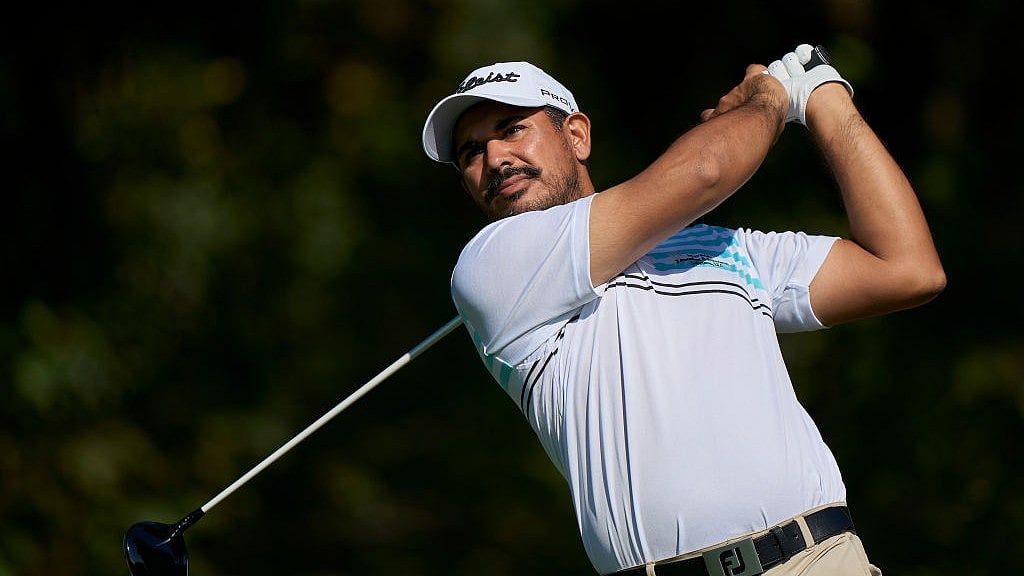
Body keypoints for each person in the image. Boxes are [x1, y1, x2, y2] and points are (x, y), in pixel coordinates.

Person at [421, 44, 945, 576]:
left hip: (815, 559)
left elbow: (907, 270)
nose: (495, 159)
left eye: (512, 129)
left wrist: (824, 99)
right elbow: (707, 169)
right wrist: (768, 98)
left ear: (576, 135)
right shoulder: (491, 268)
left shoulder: (727, 249)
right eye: (471, 153)